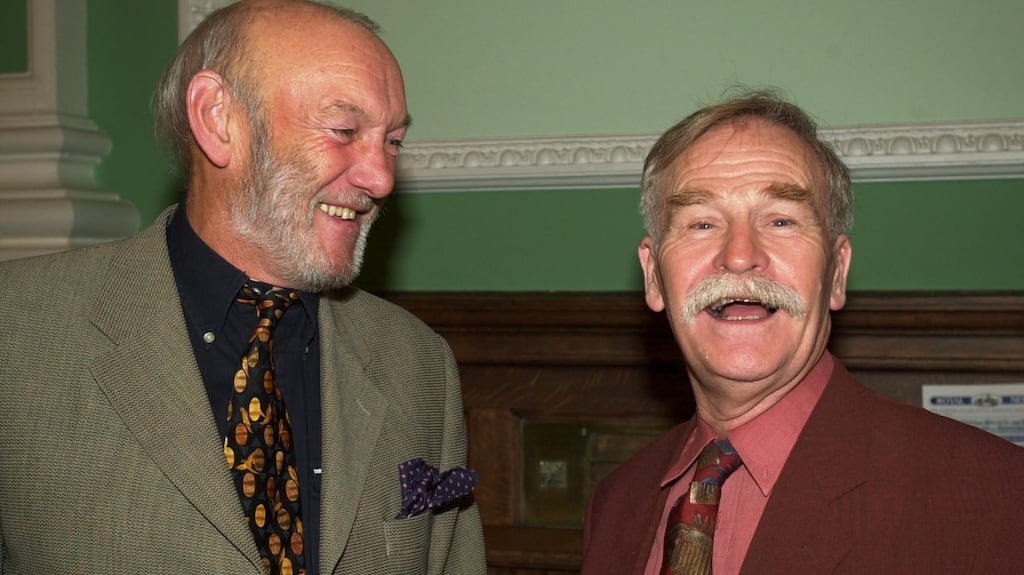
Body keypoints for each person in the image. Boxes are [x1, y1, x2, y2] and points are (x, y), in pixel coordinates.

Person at [0, 1, 485, 573]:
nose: (379, 177)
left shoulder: (418, 364)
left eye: (393, 142)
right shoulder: (19, 332)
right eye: (344, 130)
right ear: (217, 118)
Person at [580, 89, 1024, 575]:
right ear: (653, 276)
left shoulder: (993, 495)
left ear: (836, 272)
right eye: (703, 223)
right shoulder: (617, 502)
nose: (739, 254)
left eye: (781, 220)